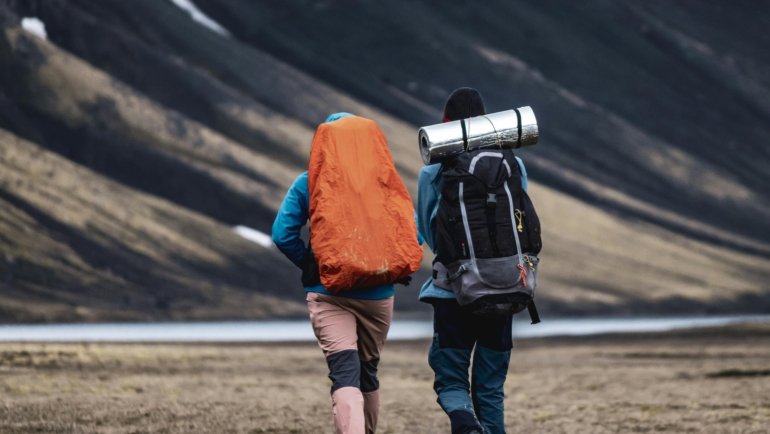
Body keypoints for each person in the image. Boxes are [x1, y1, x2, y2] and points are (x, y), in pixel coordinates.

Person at [271, 112, 397, 434]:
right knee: (368, 374)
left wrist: (315, 266)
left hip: (329, 294)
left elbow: (282, 234)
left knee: (344, 374)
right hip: (378, 296)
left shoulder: (308, 181)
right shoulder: (383, 180)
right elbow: (412, 234)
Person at [417, 88, 529, 434]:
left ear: (446, 123)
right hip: (504, 288)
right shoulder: (513, 163)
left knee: (452, 383)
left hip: (453, 293)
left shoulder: (434, 171)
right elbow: (521, 221)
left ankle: (465, 425)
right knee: (491, 388)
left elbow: (427, 229)